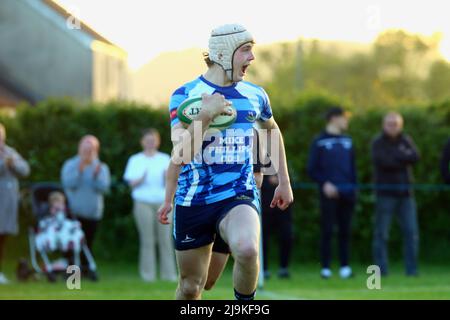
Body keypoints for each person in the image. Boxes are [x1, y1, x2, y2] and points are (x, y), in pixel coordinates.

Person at [160, 24, 293, 300]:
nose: (252, 58)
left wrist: (283, 180)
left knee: (247, 249)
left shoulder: (256, 94)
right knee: (193, 287)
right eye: (246, 50)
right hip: (193, 200)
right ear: (224, 52)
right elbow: (181, 155)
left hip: (238, 193)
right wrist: (206, 114)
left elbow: (271, 130)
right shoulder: (184, 95)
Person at [158, 129, 266, 291]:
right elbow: (176, 165)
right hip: (197, 207)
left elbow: (257, 178)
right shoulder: (193, 127)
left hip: (231, 207)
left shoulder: (251, 131)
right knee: (193, 286)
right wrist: (169, 200)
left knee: (208, 281)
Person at [307, 107, 357, 279]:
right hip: (327, 194)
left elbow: (353, 169)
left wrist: (353, 188)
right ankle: (325, 268)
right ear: (334, 118)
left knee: (345, 231)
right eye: (344, 118)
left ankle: (345, 268)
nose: (346, 121)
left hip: (347, 193)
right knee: (327, 231)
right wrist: (325, 184)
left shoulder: (348, 141)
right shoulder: (319, 141)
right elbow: (312, 169)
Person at [123, 128, 177, 282]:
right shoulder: (135, 160)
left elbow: (172, 181)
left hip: (163, 204)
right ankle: (148, 275)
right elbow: (131, 183)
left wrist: (165, 177)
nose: (150, 143)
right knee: (147, 240)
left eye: (153, 140)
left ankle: (169, 275)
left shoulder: (165, 158)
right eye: (147, 140)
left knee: (165, 239)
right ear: (142, 142)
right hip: (143, 203)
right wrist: (141, 178)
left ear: (158, 141)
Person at [371, 112, 420, 277]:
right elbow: (383, 161)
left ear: (401, 125)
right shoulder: (378, 142)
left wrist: (397, 156)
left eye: (396, 124)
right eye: (390, 124)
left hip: (406, 194)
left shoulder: (406, 140)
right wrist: (401, 156)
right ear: (383, 125)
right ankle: (381, 271)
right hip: (385, 194)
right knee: (381, 234)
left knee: (411, 233)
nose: (393, 127)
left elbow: (415, 156)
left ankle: (412, 271)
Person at [61, 135, 110, 275]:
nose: (87, 153)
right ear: (79, 148)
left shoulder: (101, 167)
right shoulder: (70, 165)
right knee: (72, 246)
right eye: (85, 149)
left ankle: (86, 272)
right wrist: (80, 171)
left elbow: (104, 188)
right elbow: (68, 184)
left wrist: (95, 176)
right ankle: (72, 276)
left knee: (87, 245)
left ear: (96, 151)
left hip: (93, 213)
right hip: (73, 213)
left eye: (91, 150)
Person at [0, 123, 30, 284]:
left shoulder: (10, 152)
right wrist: (4, 164)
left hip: (8, 203)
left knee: (3, 237)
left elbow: (25, 169)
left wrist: (13, 163)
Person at [261, 174, 293, 279]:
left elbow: (288, 177)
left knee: (287, 236)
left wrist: (281, 181)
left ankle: (284, 268)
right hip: (265, 206)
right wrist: (268, 180)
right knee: (263, 239)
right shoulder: (259, 159)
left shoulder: (282, 161)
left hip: (283, 208)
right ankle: (264, 269)